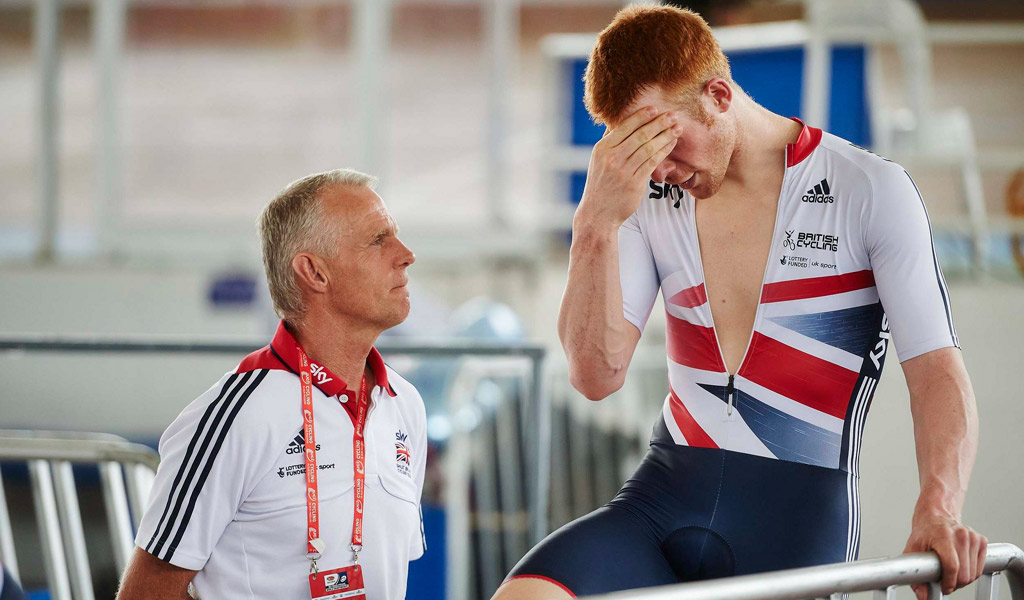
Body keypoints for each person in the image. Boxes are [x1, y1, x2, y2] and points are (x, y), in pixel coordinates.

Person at [494, 6, 985, 600]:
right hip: (660, 504)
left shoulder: (868, 190)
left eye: (667, 141)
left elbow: (936, 370)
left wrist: (939, 505)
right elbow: (595, 376)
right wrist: (594, 221)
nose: (662, 169)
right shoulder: (643, 199)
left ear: (718, 95)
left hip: (793, 528)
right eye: (640, 151)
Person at [117, 169, 426, 600]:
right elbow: (146, 595)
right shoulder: (236, 415)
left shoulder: (403, 404)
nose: (406, 254)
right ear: (315, 273)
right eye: (378, 240)